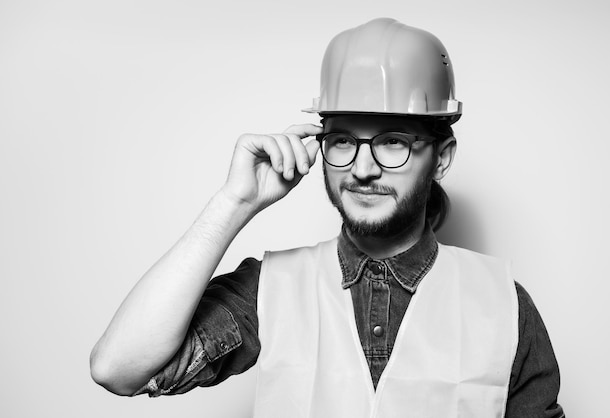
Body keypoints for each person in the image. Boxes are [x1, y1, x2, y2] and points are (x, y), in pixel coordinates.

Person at [90, 18, 565, 417]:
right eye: (342, 140)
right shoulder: (269, 289)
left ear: (441, 158)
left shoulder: (504, 304)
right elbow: (118, 368)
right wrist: (235, 203)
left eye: (393, 141)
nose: (362, 168)